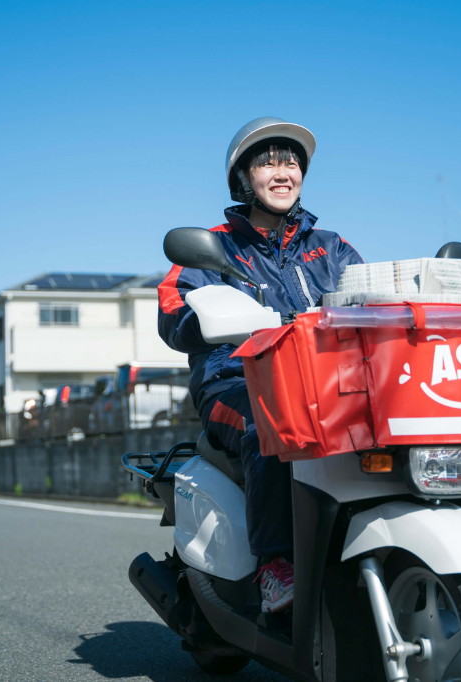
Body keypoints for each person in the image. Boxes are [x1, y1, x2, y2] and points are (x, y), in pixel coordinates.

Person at [158, 117, 364, 612]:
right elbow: (172, 312)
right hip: (235, 381)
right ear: (243, 178)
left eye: (291, 161)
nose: (282, 171)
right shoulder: (217, 246)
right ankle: (275, 565)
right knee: (268, 421)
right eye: (267, 161)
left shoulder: (331, 247)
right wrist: (209, 317)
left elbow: (369, 298)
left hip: (323, 379)